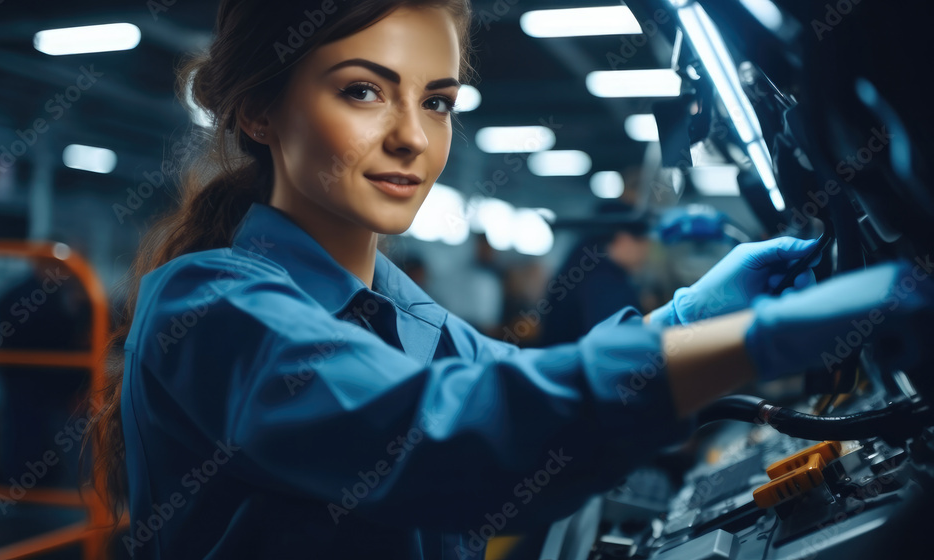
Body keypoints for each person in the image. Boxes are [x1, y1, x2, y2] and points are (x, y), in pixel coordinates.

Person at [83, 1, 933, 558]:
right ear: (258, 113)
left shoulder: (404, 313)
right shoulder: (207, 304)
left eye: (439, 100)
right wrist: (756, 341)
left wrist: (692, 315)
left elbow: (506, 385)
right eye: (363, 92)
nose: (414, 137)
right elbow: (441, 435)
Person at [536, 201, 653, 347]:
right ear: (622, 238)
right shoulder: (605, 282)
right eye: (643, 240)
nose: (646, 250)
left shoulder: (581, 268)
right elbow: (618, 347)